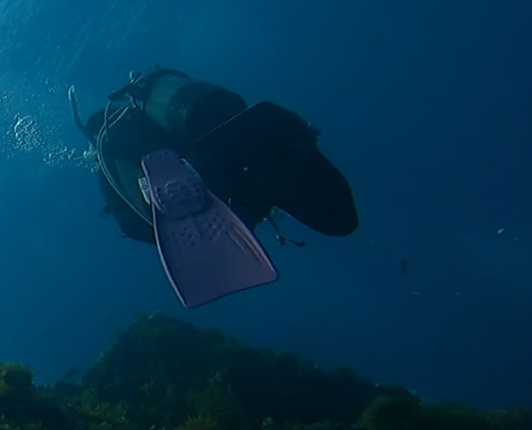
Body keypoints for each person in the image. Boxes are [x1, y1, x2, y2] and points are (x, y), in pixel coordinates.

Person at [70, 67, 357, 307]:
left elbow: (136, 226)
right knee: (340, 221)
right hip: (233, 137)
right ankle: (285, 145)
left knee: (209, 190)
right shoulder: (147, 112)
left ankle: (196, 176)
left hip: (219, 184)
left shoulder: (109, 157)